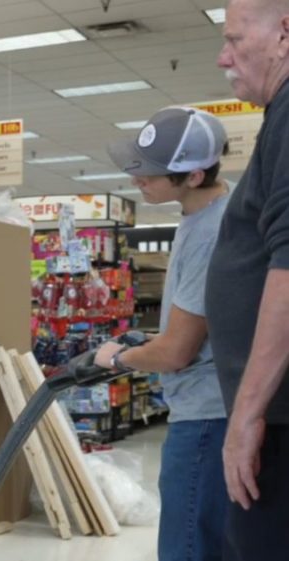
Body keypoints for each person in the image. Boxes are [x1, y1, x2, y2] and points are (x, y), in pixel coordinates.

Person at [95, 106, 231, 561]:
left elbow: (176, 352)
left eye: (151, 173)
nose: (138, 179)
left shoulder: (211, 232)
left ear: (193, 176)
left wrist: (116, 359)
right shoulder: (201, 220)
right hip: (211, 411)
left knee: (187, 548)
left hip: (206, 418)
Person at [205, 0, 289, 558]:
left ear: (284, 33)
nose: (222, 56)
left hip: (278, 430)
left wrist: (247, 415)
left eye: (235, 39)